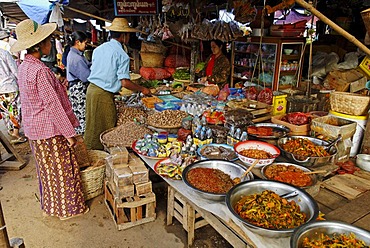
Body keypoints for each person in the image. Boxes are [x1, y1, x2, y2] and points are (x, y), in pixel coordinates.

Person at [10, 19, 88, 220]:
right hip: (49, 130)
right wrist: (69, 134)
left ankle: (51, 207)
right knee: (63, 170)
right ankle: (68, 210)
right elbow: (52, 105)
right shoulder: (41, 71)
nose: (51, 44)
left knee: (47, 171)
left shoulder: (24, 66)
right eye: (48, 40)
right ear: (39, 45)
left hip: (35, 130)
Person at [84, 17, 150, 150]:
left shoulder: (99, 49)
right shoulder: (122, 54)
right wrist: (142, 89)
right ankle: (100, 155)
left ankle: (92, 152)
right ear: (124, 35)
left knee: (91, 124)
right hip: (102, 94)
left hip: (91, 90)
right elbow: (125, 82)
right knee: (105, 128)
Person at [0, 48, 27, 144]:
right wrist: (22, 82)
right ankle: (16, 132)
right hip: (10, 86)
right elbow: (15, 70)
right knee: (15, 110)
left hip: (0, 91)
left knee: (6, 112)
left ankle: (11, 131)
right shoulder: (4, 53)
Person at [66, 31, 91, 135]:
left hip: (76, 88)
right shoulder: (76, 58)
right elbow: (86, 77)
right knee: (82, 115)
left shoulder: (74, 54)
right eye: (85, 43)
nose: (86, 45)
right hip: (78, 88)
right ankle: (84, 138)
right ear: (78, 42)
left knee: (79, 113)